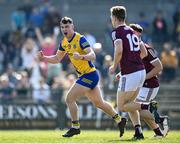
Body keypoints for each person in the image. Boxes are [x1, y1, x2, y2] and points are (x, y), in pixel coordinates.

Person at [37, 16, 125, 138]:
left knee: (69, 98)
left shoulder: (80, 39)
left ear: (72, 27)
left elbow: (93, 55)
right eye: (62, 27)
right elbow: (57, 59)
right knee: (99, 103)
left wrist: (82, 57)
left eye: (67, 26)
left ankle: (75, 127)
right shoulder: (63, 42)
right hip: (87, 75)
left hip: (89, 74)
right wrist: (44, 58)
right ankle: (119, 119)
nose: (64, 29)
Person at [109, 6, 157, 140]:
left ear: (114, 17)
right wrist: (134, 59)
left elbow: (118, 50)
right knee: (130, 103)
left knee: (122, 106)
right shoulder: (132, 31)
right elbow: (144, 52)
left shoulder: (117, 32)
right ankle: (138, 131)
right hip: (141, 70)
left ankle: (148, 106)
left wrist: (114, 66)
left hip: (130, 73)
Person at [117, 23, 169, 138]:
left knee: (136, 107)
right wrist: (122, 73)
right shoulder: (132, 49)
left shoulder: (146, 48)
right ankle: (155, 132)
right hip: (140, 84)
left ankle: (160, 120)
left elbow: (159, 67)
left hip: (150, 85)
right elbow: (133, 66)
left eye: (131, 31)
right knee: (132, 105)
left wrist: (143, 78)